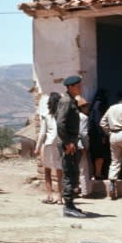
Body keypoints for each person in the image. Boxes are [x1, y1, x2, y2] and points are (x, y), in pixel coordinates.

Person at [56, 75, 85, 218]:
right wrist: (67, 142)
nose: (81, 88)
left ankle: (71, 204)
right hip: (68, 143)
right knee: (69, 173)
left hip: (71, 141)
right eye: (79, 86)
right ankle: (67, 206)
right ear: (71, 87)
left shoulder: (72, 101)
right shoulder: (66, 101)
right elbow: (61, 123)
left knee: (73, 172)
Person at [34, 92, 63, 204]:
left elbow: (42, 134)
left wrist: (37, 147)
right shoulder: (62, 116)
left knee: (47, 171)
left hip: (49, 144)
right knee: (60, 172)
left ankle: (49, 195)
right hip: (60, 145)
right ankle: (60, 197)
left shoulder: (47, 117)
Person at [88, 88, 110, 180]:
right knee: (100, 155)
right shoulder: (98, 107)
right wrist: (103, 135)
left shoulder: (94, 106)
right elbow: (98, 123)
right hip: (98, 136)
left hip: (94, 135)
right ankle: (98, 173)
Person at [76, 95, 93, 198]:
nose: (87, 108)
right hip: (80, 146)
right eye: (85, 106)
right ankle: (85, 191)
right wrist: (84, 147)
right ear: (81, 107)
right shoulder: (84, 118)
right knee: (84, 169)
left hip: (72, 146)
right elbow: (83, 134)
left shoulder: (73, 117)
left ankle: (76, 189)